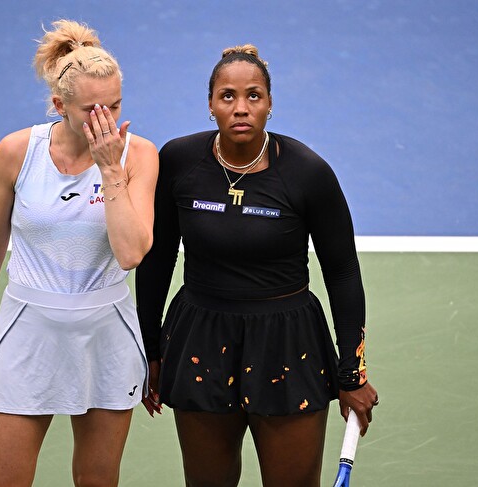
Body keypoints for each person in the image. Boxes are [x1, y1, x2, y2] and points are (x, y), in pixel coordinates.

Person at [135, 44, 378, 487]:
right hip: (200, 339)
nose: (241, 108)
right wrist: (149, 351)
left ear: (269, 104)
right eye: (227, 96)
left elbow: (342, 272)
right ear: (210, 105)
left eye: (253, 96)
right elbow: (157, 260)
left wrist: (352, 373)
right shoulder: (178, 162)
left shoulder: (307, 173)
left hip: (288, 344)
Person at [0, 19, 158, 487]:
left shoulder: (139, 156)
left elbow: (130, 253)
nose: (106, 120)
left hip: (107, 335)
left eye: (115, 106)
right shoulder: (16, 152)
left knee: (97, 481)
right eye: (92, 110)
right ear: (59, 106)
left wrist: (110, 170)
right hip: (29, 332)